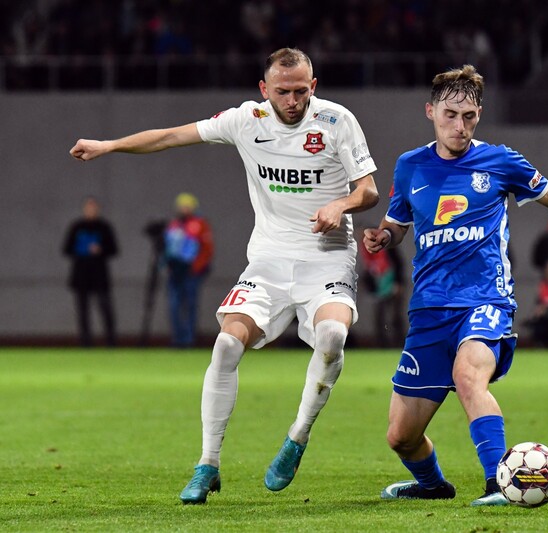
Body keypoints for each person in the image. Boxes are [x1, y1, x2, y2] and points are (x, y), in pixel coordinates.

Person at [70, 47, 379, 504]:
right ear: (264, 89)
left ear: (313, 87)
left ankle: (297, 436)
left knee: (333, 336)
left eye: (300, 91)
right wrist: (110, 145)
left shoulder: (337, 122)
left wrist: (341, 204)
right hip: (270, 260)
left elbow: (369, 189)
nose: (292, 101)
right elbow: (172, 136)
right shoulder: (246, 120)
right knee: (226, 343)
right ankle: (207, 463)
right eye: (282, 92)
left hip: (327, 258)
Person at [363, 65, 548, 506]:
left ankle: (498, 483)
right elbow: (398, 222)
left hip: (485, 301)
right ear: (430, 112)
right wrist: (383, 236)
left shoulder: (500, 161)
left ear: (479, 115)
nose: (459, 126)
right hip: (428, 310)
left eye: (468, 116)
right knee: (400, 437)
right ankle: (432, 486)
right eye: (450, 114)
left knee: (468, 376)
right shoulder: (410, 166)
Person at [62, 196, 119, 347]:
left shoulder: (104, 227)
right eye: (88, 207)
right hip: (81, 274)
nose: (91, 210)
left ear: (98, 209)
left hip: (99, 274)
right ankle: (85, 342)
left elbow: (114, 249)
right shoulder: (77, 227)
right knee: (82, 311)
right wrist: (80, 249)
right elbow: (66, 248)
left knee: (105, 308)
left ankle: (111, 341)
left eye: (94, 207)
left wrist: (101, 250)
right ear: (84, 209)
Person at [164, 192, 214, 348]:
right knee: (174, 305)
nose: (184, 209)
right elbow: (167, 248)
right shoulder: (173, 225)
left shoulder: (200, 224)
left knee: (190, 305)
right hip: (175, 272)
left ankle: (189, 339)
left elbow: (207, 249)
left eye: (187, 206)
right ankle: (177, 338)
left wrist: (196, 267)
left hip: (191, 273)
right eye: (181, 206)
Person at [357, 234, 406, 347]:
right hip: (379, 287)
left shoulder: (387, 248)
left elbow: (398, 264)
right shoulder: (366, 252)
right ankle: (382, 344)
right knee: (379, 316)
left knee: (395, 317)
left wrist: (398, 283)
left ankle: (398, 344)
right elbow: (368, 269)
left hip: (391, 283)